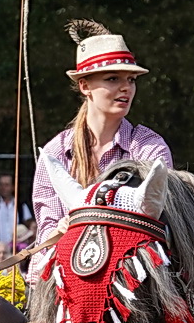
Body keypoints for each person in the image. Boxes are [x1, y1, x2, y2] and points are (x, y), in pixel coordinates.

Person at [30, 22, 173, 280]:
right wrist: (62, 231)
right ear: (84, 86)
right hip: (66, 278)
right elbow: (45, 236)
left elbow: (164, 223)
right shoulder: (56, 152)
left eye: (130, 80)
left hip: (135, 282)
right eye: (112, 79)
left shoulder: (149, 147)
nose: (126, 88)